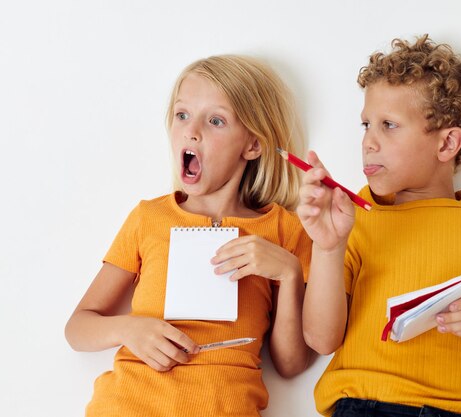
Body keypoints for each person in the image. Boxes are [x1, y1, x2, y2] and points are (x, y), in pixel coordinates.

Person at [298, 35, 461, 417]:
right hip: (360, 405)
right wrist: (327, 246)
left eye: (388, 125)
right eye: (365, 125)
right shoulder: (353, 220)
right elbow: (321, 340)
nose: (368, 142)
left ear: (447, 144)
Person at [65, 54, 313, 417]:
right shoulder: (148, 217)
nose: (191, 130)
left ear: (253, 145)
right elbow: (78, 328)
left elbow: (290, 365)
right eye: (182, 115)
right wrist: (130, 329)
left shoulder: (284, 230)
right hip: (126, 405)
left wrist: (290, 274)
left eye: (216, 120)